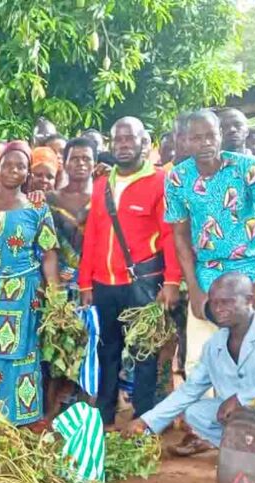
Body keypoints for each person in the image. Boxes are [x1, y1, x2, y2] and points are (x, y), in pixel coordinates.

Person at [165, 109, 255, 455]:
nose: (204, 144)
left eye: (209, 136)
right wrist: (194, 287)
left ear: (220, 135)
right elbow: (180, 234)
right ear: (184, 141)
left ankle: (253, 432)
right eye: (195, 137)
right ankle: (207, 431)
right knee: (198, 359)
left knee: (253, 357)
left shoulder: (247, 168)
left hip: (248, 275)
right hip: (206, 276)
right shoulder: (178, 177)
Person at [127, 273, 255, 446]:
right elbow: (189, 391)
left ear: (249, 300)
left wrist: (243, 398)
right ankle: (246, 451)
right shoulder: (214, 345)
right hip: (254, 421)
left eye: (227, 302)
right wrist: (146, 421)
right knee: (195, 412)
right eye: (214, 303)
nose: (219, 309)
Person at [78, 117, 182, 428]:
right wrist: (85, 283)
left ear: (144, 143)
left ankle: (144, 421)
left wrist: (173, 281)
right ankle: (105, 416)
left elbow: (169, 235)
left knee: (144, 355)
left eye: (129, 138)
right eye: (117, 139)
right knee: (106, 351)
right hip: (103, 285)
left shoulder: (160, 182)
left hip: (142, 284)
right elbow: (92, 236)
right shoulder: (100, 185)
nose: (123, 144)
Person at [0, 141, 59, 425]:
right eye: (8, 164)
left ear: (27, 172)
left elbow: (49, 253)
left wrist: (54, 295)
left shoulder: (37, 207)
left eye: (21, 166)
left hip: (24, 292)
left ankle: (22, 418)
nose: (14, 170)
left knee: (22, 353)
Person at [47, 137, 96, 291]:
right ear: (65, 164)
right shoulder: (50, 200)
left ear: (94, 164)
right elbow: (46, 247)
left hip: (98, 282)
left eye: (86, 158)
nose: (81, 163)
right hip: (57, 281)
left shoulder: (105, 198)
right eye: (74, 158)